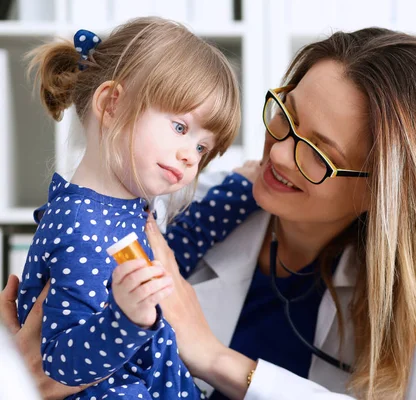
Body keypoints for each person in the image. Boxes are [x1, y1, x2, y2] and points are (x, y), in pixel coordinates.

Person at [0, 27, 416, 399]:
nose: (278, 154)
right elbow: (59, 349)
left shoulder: (407, 294)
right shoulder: (169, 210)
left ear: (385, 194)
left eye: (319, 153)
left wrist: (218, 360)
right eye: (287, 116)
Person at [15, 16, 259, 400]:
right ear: (112, 104)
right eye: (180, 127)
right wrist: (127, 319)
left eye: (201, 148)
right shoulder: (82, 227)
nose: (189, 157)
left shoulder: (121, 209)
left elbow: (168, 261)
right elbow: (60, 365)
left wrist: (238, 192)